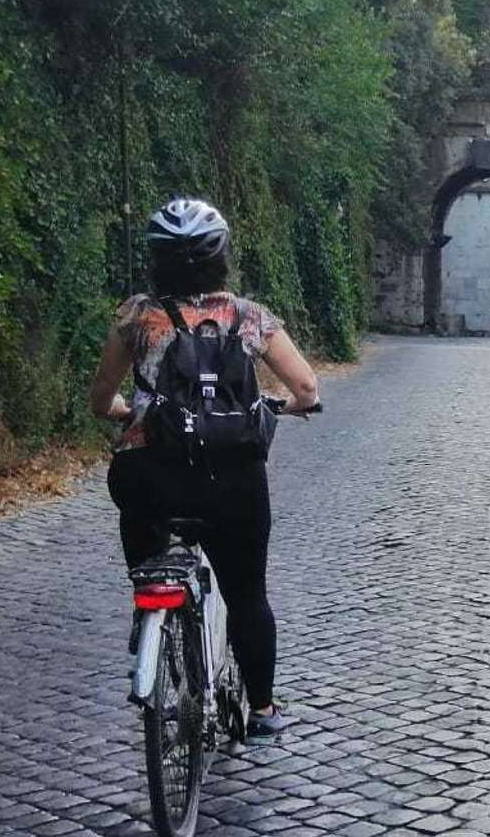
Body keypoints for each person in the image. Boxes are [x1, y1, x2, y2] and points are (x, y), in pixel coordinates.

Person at [87, 198, 321, 746]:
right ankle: (262, 709)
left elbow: (101, 398)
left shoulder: (136, 318)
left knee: (145, 542)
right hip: (232, 480)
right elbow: (307, 387)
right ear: (221, 257)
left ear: (157, 260)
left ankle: (151, 612)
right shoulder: (251, 317)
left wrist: (122, 411)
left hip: (150, 476)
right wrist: (285, 407)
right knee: (248, 595)